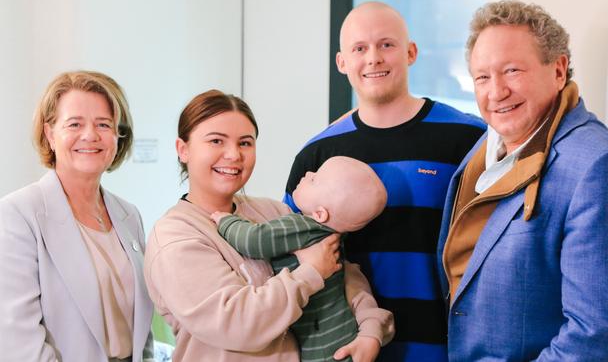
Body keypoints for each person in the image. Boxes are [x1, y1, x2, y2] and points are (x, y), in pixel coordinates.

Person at [437, 0, 608, 361]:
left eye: (512, 70)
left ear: (559, 69)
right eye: (483, 77)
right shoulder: (490, 144)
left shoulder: (599, 169)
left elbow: (599, 335)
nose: (496, 91)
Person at [284, 1, 485, 361]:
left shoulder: (468, 139)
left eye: (386, 45)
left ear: (410, 52)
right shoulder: (315, 155)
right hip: (345, 349)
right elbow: (291, 255)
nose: (374, 58)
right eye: (360, 48)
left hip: (446, 349)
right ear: (342, 62)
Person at [143, 90, 394, 362]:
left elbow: (342, 275)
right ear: (183, 149)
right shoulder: (175, 237)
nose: (233, 154)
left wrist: (370, 329)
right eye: (216, 140)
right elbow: (238, 324)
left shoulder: (273, 211)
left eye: (245, 143)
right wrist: (310, 272)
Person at [0, 71, 154, 361]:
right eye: (75, 124)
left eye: (103, 124)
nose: (90, 135)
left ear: (117, 136)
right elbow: (18, 342)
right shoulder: (18, 214)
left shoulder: (129, 215)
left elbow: (141, 327)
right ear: (50, 134)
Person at [212, 156, 390, 362]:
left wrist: (226, 222)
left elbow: (255, 240)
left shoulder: (302, 227)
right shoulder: (332, 234)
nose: (307, 174)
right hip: (343, 331)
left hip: (322, 344)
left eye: (315, 179)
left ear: (320, 213)